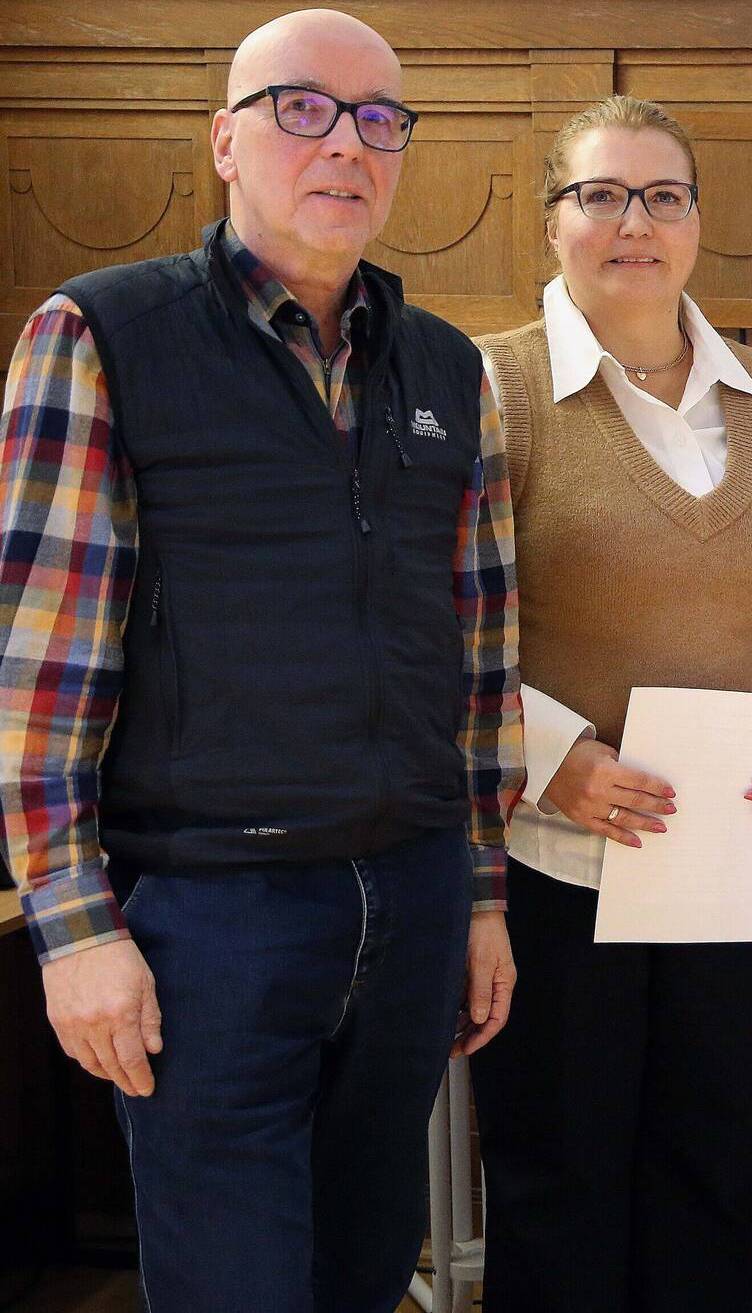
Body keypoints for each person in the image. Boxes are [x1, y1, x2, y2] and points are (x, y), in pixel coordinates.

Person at [0, 10, 521, 1311]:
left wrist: (480, 893)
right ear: (225, 141)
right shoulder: (102, 335)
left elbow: (479, 659)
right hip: (210, 920)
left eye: (379, 119)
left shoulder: (450, 369)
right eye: (304, 109)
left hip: (406, 907)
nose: (346, 143)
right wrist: (72, 931)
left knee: (357, 1278)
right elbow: (40, 666)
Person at [466, 94, 752, 1312]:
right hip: (556, 860)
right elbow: (424, 625)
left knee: (707, 1165)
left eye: (661, 195)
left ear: (696, 221)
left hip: (733, 859)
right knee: (560, 1177)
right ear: (553, 222)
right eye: (599, 194)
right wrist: (551, 758)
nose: (632, 222)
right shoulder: (493, 389)